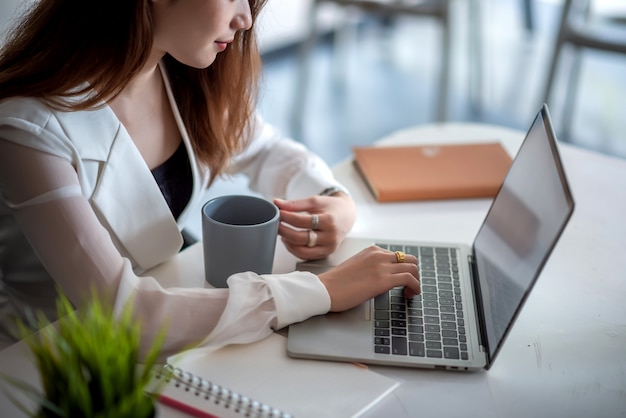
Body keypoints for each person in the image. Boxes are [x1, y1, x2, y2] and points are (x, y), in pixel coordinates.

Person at [0, 0, 420, 357]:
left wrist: (334, 200)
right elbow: (127, 314)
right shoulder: (28, 129)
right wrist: (322, 291)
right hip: (48, 362)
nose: (246, 20)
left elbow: (266, 149)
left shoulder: (174, 73)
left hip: (166, 327)